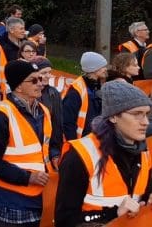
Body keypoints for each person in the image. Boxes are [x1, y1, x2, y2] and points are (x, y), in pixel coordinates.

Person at [55, 81, 152, 226]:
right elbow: (64, 221)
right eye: (136, 114)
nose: (145, 122)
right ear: (113, 117)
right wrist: (113, 214)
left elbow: (141, 197)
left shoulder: (144, 152)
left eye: (146, 114)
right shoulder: (80, 155)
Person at [0, 60, 60, 227]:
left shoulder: (43, 111)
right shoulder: (1, 116)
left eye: (40, 78)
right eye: (34, 80)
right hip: (14, 200)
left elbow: (48, 144)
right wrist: (28, 177)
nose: (40, 83)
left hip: (42, 196)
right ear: (18, 87)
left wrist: (54, 155)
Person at [62, 52, 108, 141]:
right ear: (94, 69)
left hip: (92, 140)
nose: (105, 69)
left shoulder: (96, 86)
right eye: (102, 67)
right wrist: (74, 145)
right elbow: (68, 122)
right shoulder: (76, 91)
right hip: (80, 143)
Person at [33, 57, 63, 154]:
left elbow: (57, 124)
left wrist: (55, 151)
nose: (48, 76)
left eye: (49, 72)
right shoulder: (27, 93)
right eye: (44, 73)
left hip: (49, 148)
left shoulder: (53, 93)